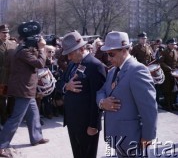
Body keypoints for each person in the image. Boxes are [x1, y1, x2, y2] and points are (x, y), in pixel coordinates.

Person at [96, 31, 158, 157]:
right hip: (118, 138)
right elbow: (101, 91)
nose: (108, 58)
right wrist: (102, 102)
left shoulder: (138, 70)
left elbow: (149, 109)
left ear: (124, 50)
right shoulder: (113, 71)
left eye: (111, 54)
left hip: (133, 139)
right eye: (107, 54)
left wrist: (148, 137)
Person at [0, 22, 49, 157]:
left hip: (27, 88)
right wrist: (41, 49)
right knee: (15, 118)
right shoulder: (23, 51)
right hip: (23, 89)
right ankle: (1, 145)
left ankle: (36, 137)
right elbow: (39, 64)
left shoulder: (23, 49)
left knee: (34, 114)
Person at [60, 30, 106, 158]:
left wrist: (94, 125)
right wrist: (66, 86)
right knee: (77, 153)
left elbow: (98, 98)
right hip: (72, 120)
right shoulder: (71, 65)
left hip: (87, 123)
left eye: (70, 53)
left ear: (81, 49)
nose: (68, 57)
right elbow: (60, 83)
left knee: (87, 154)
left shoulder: (95, 66)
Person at [0, 24, 17, 128]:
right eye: (3, 33)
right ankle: (3, 118)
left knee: (12, 97)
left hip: (12, 76)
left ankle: (10, 116)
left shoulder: (13, 44)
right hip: (2, 77)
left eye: (7, 32)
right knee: (2, 98)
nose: (5, 34)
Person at [159, 38, 178, 111]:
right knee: (167, 90)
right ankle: (168, 106)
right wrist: (168, 68)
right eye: (172, 44)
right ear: (168, 45)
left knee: (173, 90)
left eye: (174, 44)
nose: (173, 45)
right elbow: (161, 62)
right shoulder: (164, 52)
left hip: (174, 74)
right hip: (166, 74)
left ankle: (171, 104)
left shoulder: (175, 51)